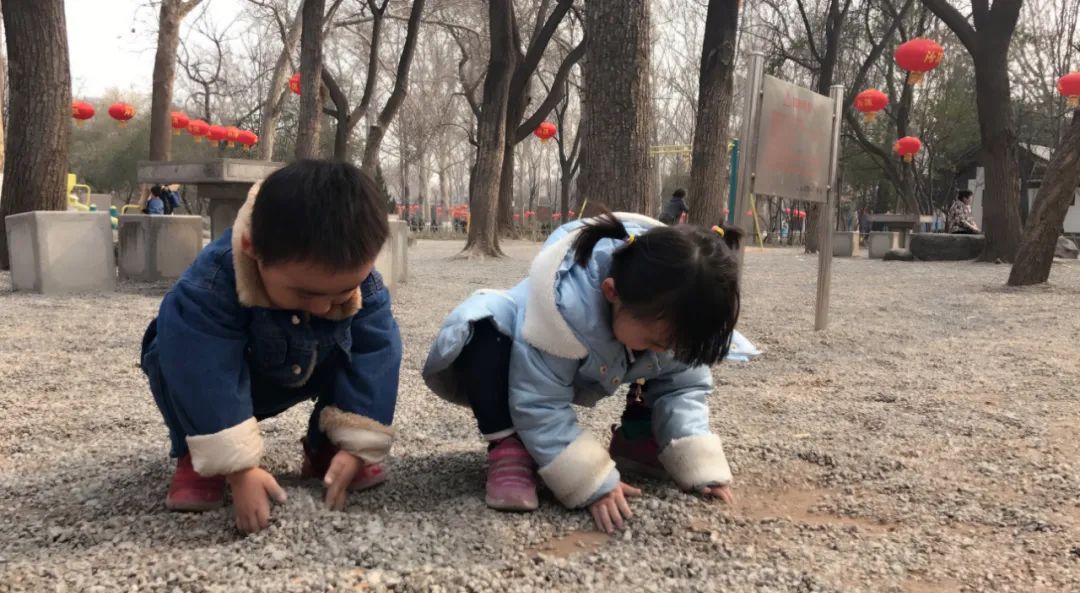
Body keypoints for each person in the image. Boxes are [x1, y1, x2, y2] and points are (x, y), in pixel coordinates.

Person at [423, 211, 743, 533]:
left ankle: (639, 435)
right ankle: (509, 447)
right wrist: (590, 481)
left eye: (674, 343)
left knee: (663, 365)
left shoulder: (676, 317)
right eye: (655, 340)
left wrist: (698, 463)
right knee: (483, 330)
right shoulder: (563, 309)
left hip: (607, 343)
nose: (664, 350)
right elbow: (539, 401)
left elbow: (683, 386)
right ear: (611, 292)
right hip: (511, 354)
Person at [140, 160, 402, 534]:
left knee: (355, 347)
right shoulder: (211, 283)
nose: (323, 306)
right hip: (223, 373)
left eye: (342, 292)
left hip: (304, 364)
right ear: (253, 249)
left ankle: (328, 446)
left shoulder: (364, 285)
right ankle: (196, 453)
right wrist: (238, 467)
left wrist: (357, 445)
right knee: (171, 351)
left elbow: (376, 356)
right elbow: (202, 369)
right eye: (305, 293)